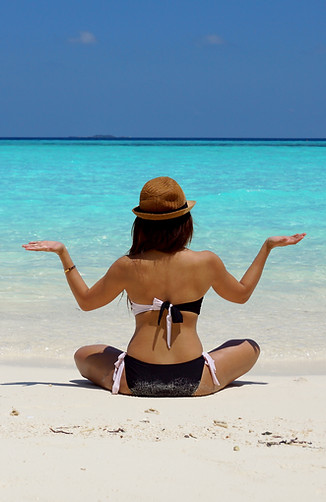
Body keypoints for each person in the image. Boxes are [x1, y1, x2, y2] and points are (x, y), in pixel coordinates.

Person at [22, 176, 305, 397]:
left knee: (83, 354)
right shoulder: (206, 261)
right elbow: (242, 295)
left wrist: (64, 254)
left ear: (141, 224)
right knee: (248, 346)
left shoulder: (127, 265)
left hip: (135, 380)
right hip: (194, 380)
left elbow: (86, 302)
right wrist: (266, 248)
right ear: (186, 222)